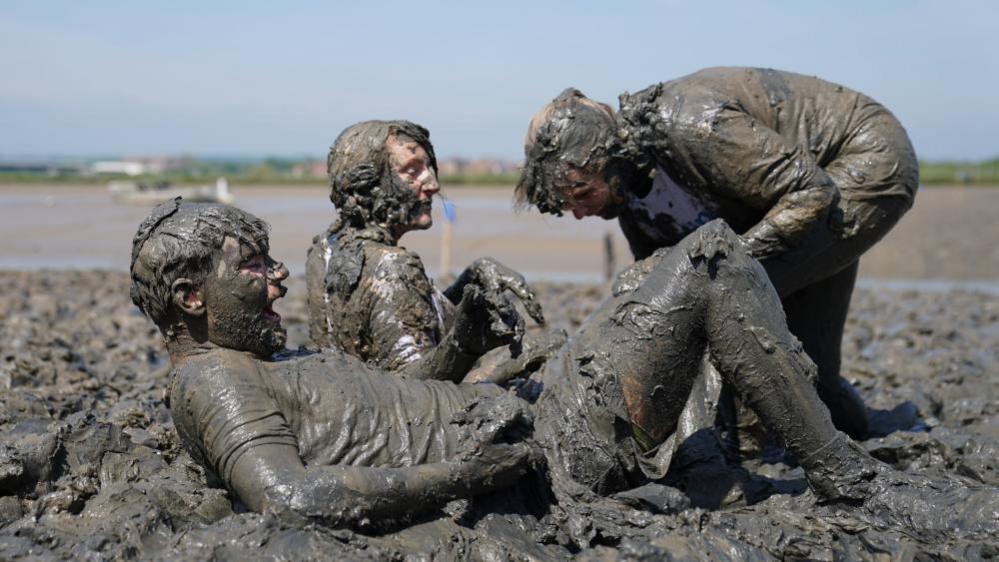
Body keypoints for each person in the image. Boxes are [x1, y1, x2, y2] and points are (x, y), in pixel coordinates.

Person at [129, 200, 994, 534]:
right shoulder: (213, 380)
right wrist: (464, 473)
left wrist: (465, 334)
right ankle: (847, 481)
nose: (276, 278)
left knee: (647, 285)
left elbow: (396, 401)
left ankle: (706, 453)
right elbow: (286, 498)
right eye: (251, 268)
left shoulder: (253, 358)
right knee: (709, 263)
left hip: (520, 420)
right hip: (543, 448)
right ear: (190, 295)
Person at [516, 67, 920, 438]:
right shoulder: (630, 202)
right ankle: (863, 432)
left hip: (863, 157)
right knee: (815, 375)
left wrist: (729, 262)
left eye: (585, 194)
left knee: (727, 301)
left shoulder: (689, 124)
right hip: (794, 201)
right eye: (568, 207)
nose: (583, 213)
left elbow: (810, 193)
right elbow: (662, 302)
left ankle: (744, 444)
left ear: (608, 157)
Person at [306, 120, 558, 383]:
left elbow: (405, 319)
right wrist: (464, 343)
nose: (433, 184)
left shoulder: (324, 248)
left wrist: (470, 279)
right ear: (366, 183)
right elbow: (415, 388)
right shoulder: (392, 265)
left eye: (428, 167)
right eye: (411, 171)